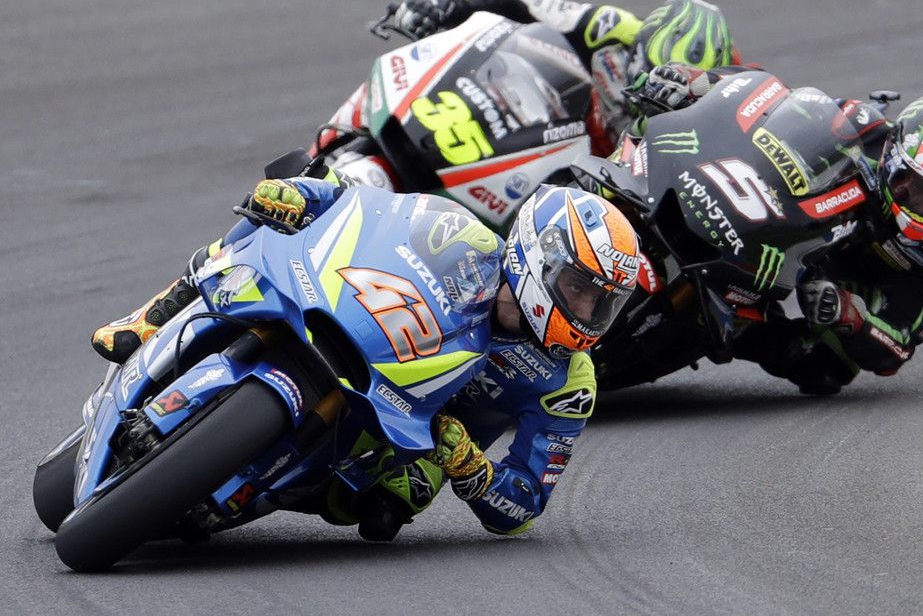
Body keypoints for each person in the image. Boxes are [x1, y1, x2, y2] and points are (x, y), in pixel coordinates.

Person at [93, 164, 640, 539]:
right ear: (538, 256)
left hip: (421, 439)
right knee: (270, 217)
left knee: (382, 508)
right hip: (368, 340)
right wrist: (306, 195)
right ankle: (156, 313)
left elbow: (523, 504)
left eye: (603, 303)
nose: (587, 311)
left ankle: (247, 488)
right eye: (579, 289)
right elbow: (364, 207)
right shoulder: (464, 239)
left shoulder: (569, 382)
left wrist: (473, 470)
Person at [628, 65, 923, 394]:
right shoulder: (864, 127)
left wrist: (851, 316)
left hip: (846, 290)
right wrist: (700, 81)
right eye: (916, 187)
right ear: (894, 155)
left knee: (825, 370)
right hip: (806, 229)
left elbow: (898, 348)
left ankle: (739, 330)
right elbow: (771, 101)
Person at [311, 0, 740, 165]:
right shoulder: (613, 27)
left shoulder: (729, 95)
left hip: (612, 186)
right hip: (548, 124)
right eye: (639, 68)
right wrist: (443, 3)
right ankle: (330, 149)